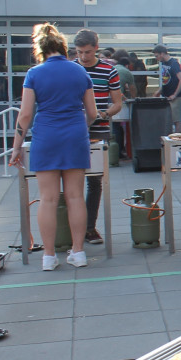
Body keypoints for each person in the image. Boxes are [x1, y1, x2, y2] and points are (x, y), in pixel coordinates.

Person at [10, 24, 97, 270]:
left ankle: (48, 257)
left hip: (45, 137)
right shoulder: (81, 72)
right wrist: (81, 128)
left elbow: (25, 115)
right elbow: (91, 112)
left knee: (47, 199)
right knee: (75, 197)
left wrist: (17, 147)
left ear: (41, 49)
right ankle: (78, 253)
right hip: (75, 137)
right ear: (63, 47)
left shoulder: (34, 73)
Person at [74, 30, 123, 245]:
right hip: (74, 130)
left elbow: (117, 103)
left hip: (99, 129)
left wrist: (104, 113)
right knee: (72, 182)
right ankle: (73, 228)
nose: (84, 57)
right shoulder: (71, 68)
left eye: (88, 52)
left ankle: (90, 228)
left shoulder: (109, 70)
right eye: (79, 52)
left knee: (94, 182)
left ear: (96, 47)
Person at [153, 44, 181, 133]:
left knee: (176, 120)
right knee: (168, 119)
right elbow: (166, 80)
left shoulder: (174, 63)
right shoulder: (164, 63)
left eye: (157, 56)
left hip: (174, 97)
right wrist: (159, 91)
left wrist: (174, 94)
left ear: (162, 54)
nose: (156, 58)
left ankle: (178, 139)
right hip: (166, 96)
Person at [111, 53, 136, 160]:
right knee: (118, 127)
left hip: (106, 100)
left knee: (114, 127)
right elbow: (132, 89)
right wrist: (134, 99)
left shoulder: (112, 68)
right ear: (127, 65)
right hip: (116, 102)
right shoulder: (126, 72)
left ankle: (113, 152)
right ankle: (119, 152)